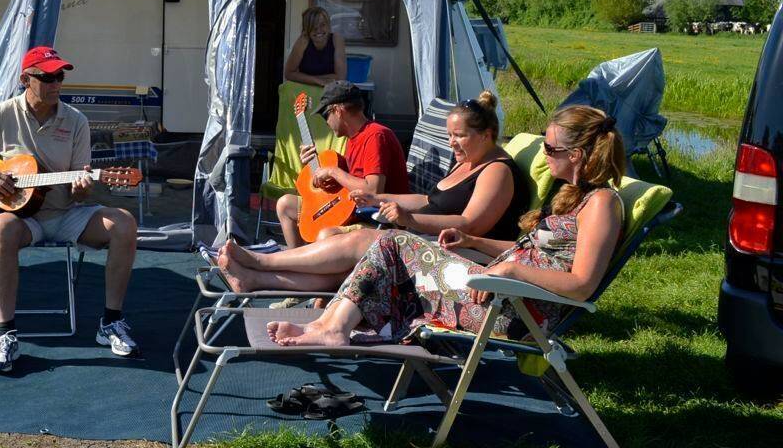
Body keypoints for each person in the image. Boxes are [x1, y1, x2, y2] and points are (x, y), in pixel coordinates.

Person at [266, 104, 624, 346]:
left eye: (549, 148)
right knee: (391, 245)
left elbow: (580, 284)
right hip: (499, 293)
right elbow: (527, 251)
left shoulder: (602, 204)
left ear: (575, 155)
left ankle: (327, 323)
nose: (544, 155)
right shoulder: (572, 196)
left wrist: (511, 271)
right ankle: (328, 324)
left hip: (520, 312)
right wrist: (476, 242)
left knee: (393, 243)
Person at [0, 46, 140, 373]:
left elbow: (80, 187)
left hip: (65, 214)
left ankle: (111, 323)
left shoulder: (76, 121)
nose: (56, 84)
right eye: (47, 77)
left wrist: (84, 186)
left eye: (60, 76)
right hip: (23, 218)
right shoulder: (2, 113)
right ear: (26, 80)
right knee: (1, 227)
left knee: (124, 223)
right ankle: (6, 334)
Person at [221, 91, 528, 296]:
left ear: (487, 135)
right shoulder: (470, 162)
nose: (451, 143)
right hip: (422, 237)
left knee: (357, 241)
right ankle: (255, 280)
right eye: (449, 135)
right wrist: (379, 199)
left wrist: (410, 220)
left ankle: (262, 263)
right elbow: (429, 201)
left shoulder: (496, 171)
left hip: (454, 252)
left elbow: (470, 225)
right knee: (341, 266)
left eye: (458, 136)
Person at [275, 79, 409, 249]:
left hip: (380, 219)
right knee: (285, 204)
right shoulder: (354, 138)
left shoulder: (375, 136)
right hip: (354, 209)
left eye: (325, 115)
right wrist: (315, 170)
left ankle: (309, 268)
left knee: (326, 235)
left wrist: (333, 172)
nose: (326, 122)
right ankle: (297, 263)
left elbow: (373, 191)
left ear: (338, 110)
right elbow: (348, 181)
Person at [285, 6, 348, 86]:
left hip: (330, 92)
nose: (318, 30)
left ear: (328, 25)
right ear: (307, 29)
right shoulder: (303, 41)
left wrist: (303, 78)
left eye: (322, 25)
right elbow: (288, 73)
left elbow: (341, 77)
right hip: (306, 93)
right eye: (313, 26)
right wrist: (317, 81)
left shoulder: (337, 39)